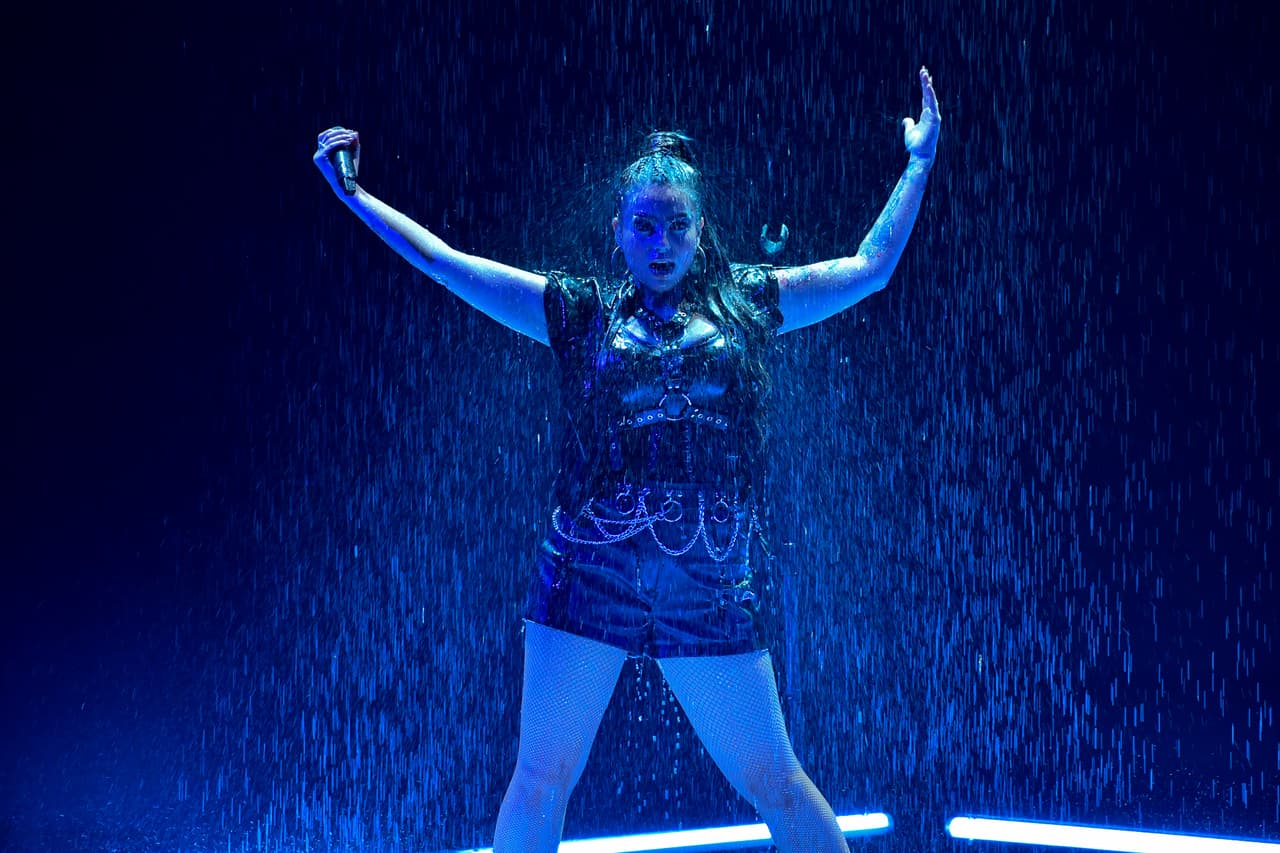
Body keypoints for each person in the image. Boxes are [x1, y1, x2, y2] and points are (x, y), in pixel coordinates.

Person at [314, 67, 940, 853]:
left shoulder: (747, 304)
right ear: (617, 229)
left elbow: (868, 269)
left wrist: (916, 166)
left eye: (676, 226)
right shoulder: (578, 314)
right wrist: (356, 198)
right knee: (540, 778)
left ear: (702, 229)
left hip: (708, 582)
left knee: (777, 779)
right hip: (589, 573)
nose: (661, 244)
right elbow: (446, 263)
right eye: (644, 227)